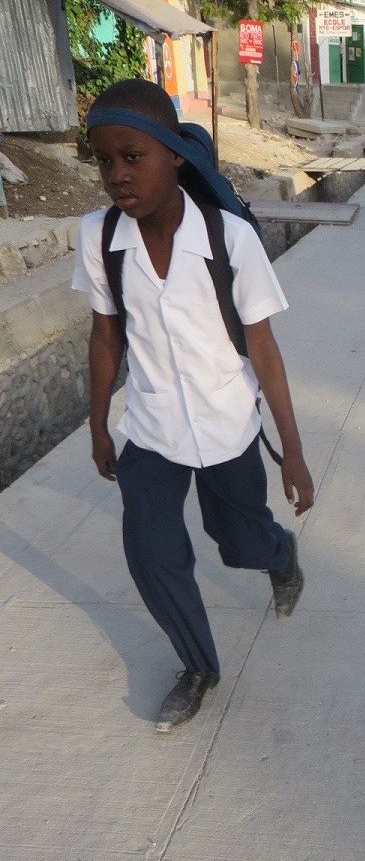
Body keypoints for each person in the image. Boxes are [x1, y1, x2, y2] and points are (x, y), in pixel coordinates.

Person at [71, 79, 315, 733]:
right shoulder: (97, 238)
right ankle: (197, 665)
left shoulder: (228, 240)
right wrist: (98, 426)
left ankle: (278, 554)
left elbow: (264, 351)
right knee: (152, 555)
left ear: (175, 154)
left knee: (237, 541)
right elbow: (104, 335)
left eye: (132, 157)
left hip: (227, 426)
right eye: (105, 161)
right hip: (150, 429)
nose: (117, 175)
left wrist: (292, 452)